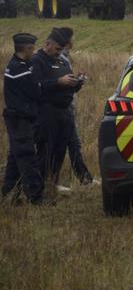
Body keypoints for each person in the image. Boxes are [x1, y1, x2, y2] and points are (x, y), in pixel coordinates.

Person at [2, 33, 51, 205]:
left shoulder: (21, 64)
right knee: (27, 156)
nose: (34, 51)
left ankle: (8, 193)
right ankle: (36, 197)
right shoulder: (18, 69)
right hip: (19, 120)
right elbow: (36, 91)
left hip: (20, 119)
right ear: (27, 49)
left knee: (16, 158)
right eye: (32, 48)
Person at [31, 28, 83, 186]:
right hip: (46, 112)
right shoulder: (36, 61)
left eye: (61, 50)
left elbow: (69, 87)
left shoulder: (61, 60)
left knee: (60, 150)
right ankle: (40, 185)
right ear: (47, 44)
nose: (59, 53)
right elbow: (34, 86)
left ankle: (53, 182)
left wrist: (77, 83)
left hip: (65, 112)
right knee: (46, 150)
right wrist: (58, 82)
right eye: (57, 49)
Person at [57, 27, 94, 186]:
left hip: (67, 108)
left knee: (73, 145)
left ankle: (84, 178)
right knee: (64, 146)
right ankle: (52, 181)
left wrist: (77, 83)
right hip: (62, 110)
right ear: (67, 41)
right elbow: (60, 84)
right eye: (72, 38)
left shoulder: (64, 58)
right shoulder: (59, 59)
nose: (74, 41)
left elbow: (67, 84)